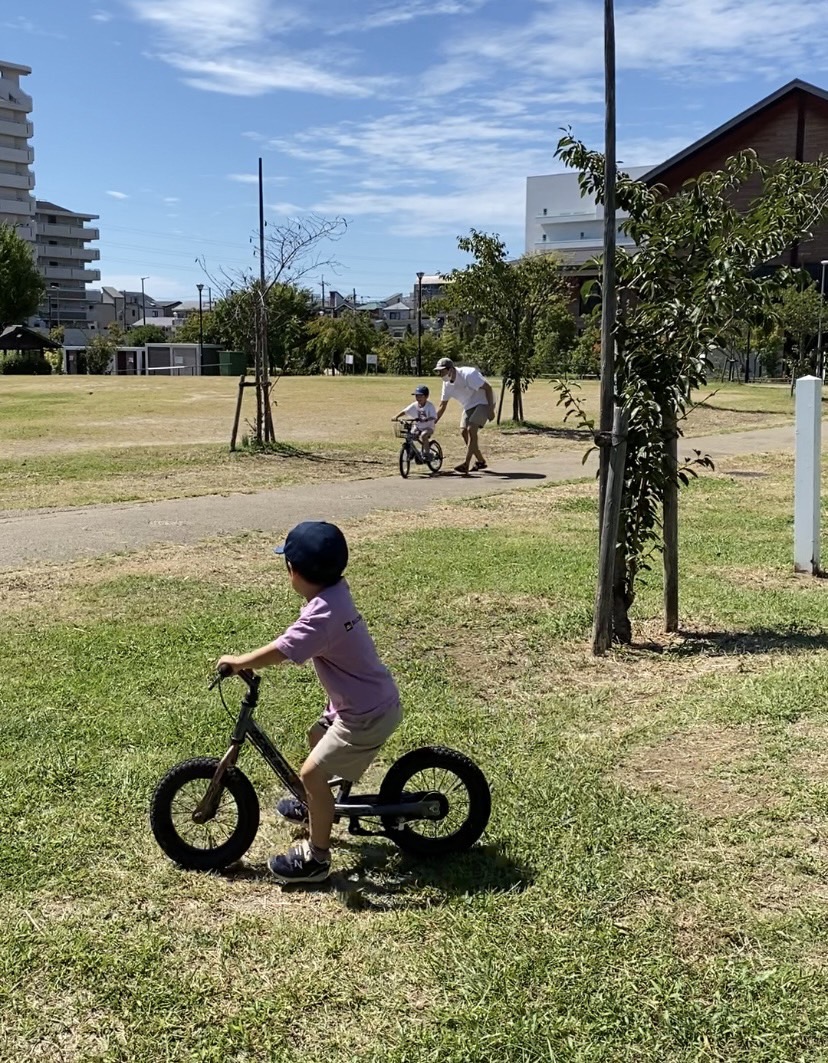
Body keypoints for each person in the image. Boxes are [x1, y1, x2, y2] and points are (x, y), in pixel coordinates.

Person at [217, 520, 402, 885]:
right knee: (316, 735)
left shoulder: (322, 615)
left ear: (294, 571)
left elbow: (285, 649)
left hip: (364, 715)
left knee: (310, 773)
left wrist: (239, 661)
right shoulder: (335, 593)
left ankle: (316, 860)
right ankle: (318, 804)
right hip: (367, 701)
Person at [433, 356, 496, 474]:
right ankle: (481, 461)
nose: (440, 374)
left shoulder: (468, 374)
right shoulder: (446, 384)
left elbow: (488, 388)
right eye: (439, 372)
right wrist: (432, 421)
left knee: (472, 429)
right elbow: (442, 405)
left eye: (442, 371)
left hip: (484, 401)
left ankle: (466, 463)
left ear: (450, 369)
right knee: (463, 431)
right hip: (469, 404)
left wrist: (490, 409)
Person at [393, 384, 437, 457]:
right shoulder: (415, 404)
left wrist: (427, 419)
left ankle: (427, 453)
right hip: (418, 426)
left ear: (426, 396)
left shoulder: (430, 406)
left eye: (420, 396)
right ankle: (413, 451)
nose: (418, 398)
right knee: (411, 435)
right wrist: (396, 416)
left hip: (428, 427)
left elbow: (434, 416)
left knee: (423, 435)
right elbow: (405, 411)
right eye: (416, 396)